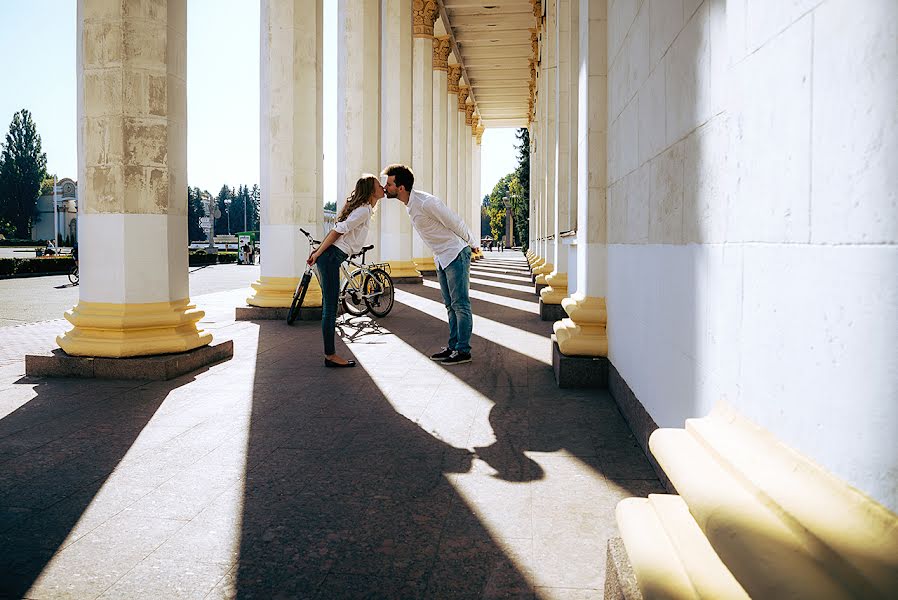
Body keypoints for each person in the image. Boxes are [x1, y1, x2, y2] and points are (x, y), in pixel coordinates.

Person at [381, 163, 479, 365]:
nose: (386, 187)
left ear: (401, 187)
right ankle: (453, 347)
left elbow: (454, 221)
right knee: (450, 305)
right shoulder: (410, 205)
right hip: (442, 257)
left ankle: (463, 351)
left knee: (460, 305)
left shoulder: (426, 203)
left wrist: (473, 243)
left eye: (389, 183)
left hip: (456, 253)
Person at [307, 174, 384, 368]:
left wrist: (318, 252)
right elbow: (338, 231)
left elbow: (341, 232)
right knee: (330, 309)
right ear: (370, 190)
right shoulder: (364, 210)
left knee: (330, 307)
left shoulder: (364, 210)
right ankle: (330, 355)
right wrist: (318, 254)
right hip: (331, 258)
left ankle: (330, 354)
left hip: (332, 256)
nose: (382, 187)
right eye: (378, 185)